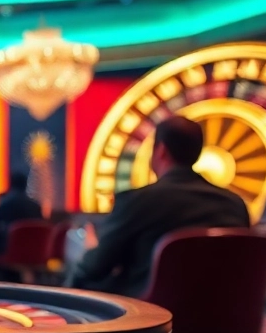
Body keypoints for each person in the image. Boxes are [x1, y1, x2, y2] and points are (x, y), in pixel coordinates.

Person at [72, 116, 250, 297]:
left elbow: (94, 268)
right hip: (226, 319)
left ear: (161, 150)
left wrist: (89, 250)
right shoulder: (235, 205)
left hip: (152, 320)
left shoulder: (137, 201)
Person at [0, 172, 43, 261]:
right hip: (35, 252)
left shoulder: (6, 203)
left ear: (10, 184)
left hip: (9, 251)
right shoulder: (36, 206)